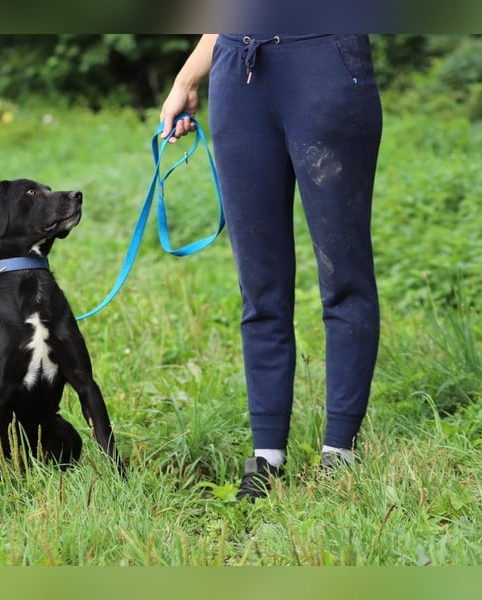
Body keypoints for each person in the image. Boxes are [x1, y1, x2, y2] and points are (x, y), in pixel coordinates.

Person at [160, 34, 382, 501]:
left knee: (343, 275)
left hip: (325, 61)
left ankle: (339, 450)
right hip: (238, 73)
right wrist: (187, 77)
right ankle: (266, 457)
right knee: (259, 284)